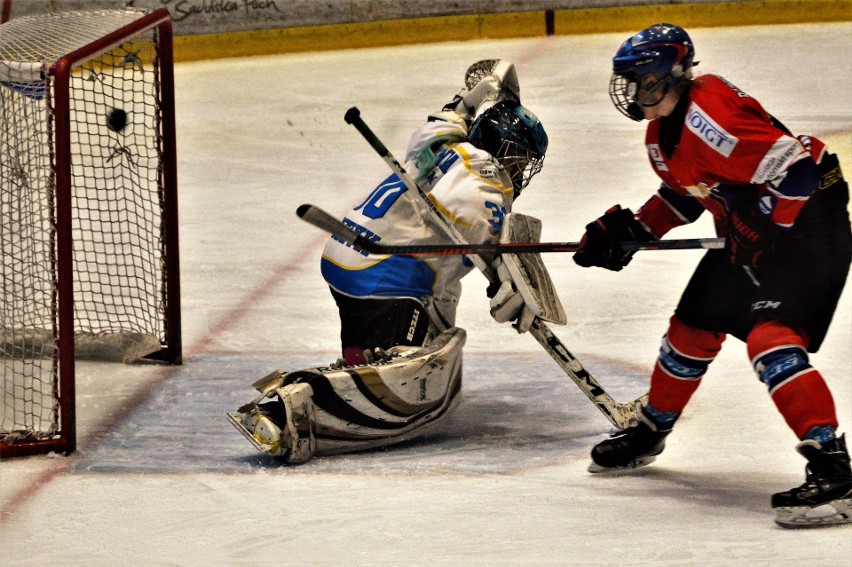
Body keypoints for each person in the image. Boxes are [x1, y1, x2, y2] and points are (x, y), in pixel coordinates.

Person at [572, 23, 852, 528]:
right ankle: (650, 432)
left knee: (771, 342)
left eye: (641, 79)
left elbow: (804, 167)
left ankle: (837, 472)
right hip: (756, 231)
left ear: (670, 76)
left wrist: (769, 225)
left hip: (810, 223)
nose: (632, 91)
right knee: (692, 328)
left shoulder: (712, 116)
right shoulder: (660, 134)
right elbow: (685, 195)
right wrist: (633, 230)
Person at [228, 60, 558, 463]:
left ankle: (361, 359)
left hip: (346, 259)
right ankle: (287, 407)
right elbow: (474, 216)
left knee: (442, 293)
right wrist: (507, 278)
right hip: (385, 277)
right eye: (518, 159)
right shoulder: (487, 177)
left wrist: (470, 100)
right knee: (411, 369)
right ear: (498, 147)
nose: (519, 171)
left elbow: (446, 118)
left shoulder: (446, 138)